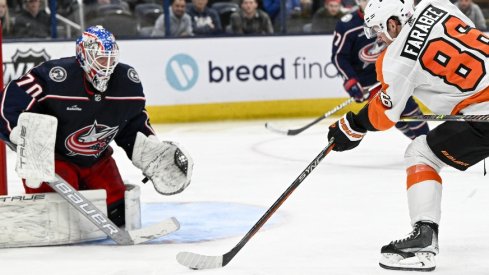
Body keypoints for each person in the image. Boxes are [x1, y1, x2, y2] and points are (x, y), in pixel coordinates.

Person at [328, 0, 489, 271]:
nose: (378, 38)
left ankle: (424, 237)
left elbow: (385, 115)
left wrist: (353, 124)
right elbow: (470, 31)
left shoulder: (395, 61)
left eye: (378, 30)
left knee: (420, 153)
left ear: (393, 22)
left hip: (482, 115)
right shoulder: (436, 4)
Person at [0, 25, 193, 227]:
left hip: (96, 160)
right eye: (101, 58)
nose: (107, 65)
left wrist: (150, 150)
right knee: (56, 219)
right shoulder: (54, 77)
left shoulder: (127, 82)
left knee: (119, 214)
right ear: (84, 56)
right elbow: (8, 105)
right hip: (54, 162)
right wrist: (17, 134)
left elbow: (132, 123)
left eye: (111, 57)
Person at [331, 0, 428, 140]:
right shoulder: (347, 25)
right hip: (368, 82)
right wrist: (351, 80)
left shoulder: (389, 14)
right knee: (395, 115)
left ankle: (426, 144)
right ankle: (422, 142)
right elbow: (339, 57)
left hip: (391, 73)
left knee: (408, 108)